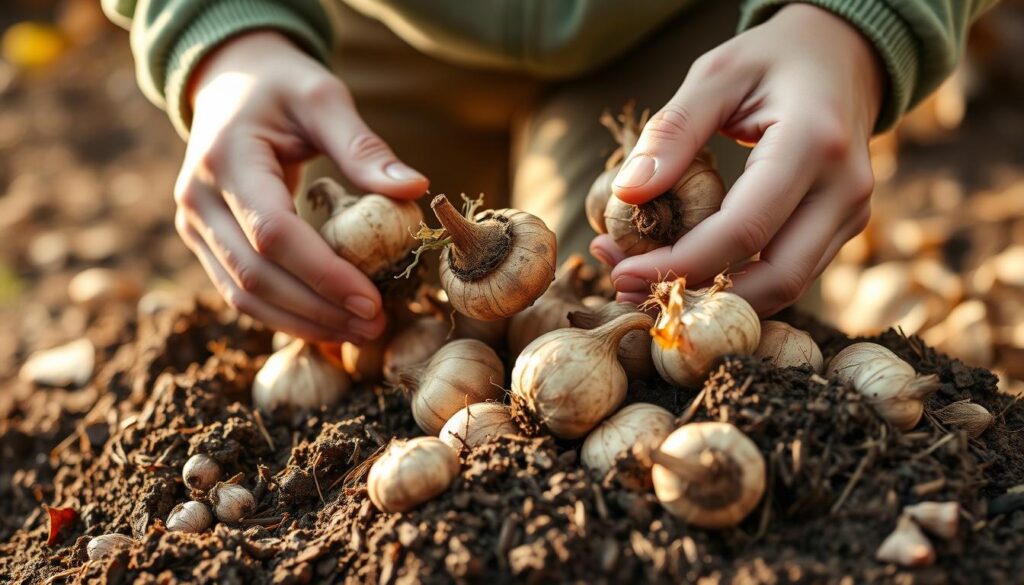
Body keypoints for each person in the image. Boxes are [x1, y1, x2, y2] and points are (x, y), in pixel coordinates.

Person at [102, 0, 996, 344]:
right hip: (351, 33)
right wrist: (219, 35)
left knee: (646, 335)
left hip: (706, 35)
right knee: (336, 312)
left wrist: (857, 22)